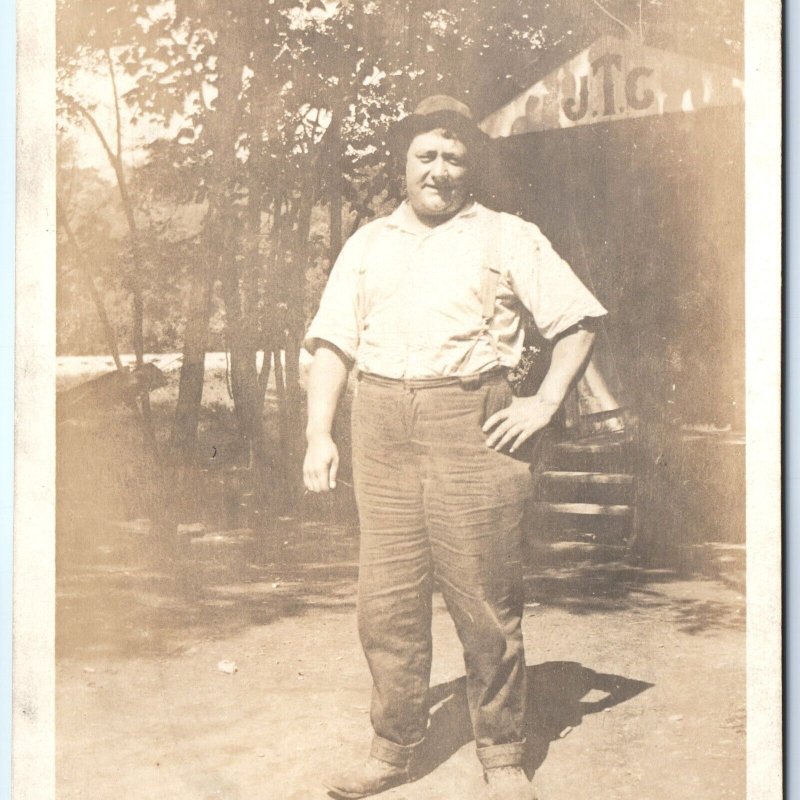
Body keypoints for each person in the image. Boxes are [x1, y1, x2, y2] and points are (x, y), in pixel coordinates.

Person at [302, 95, 607, 800]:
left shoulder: (506, 235)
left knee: (485, 600)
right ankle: (392, 748)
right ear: (404, 165)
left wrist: (543, 402)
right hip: (379, 424)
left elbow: (579, 320)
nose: (439, 171)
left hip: (475, 424)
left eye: (454, 158)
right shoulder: (368, 243)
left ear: (471, 167)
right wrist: (319, 433)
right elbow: (333, 344)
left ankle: (502, 756)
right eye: (426, 156)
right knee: (386, 602)